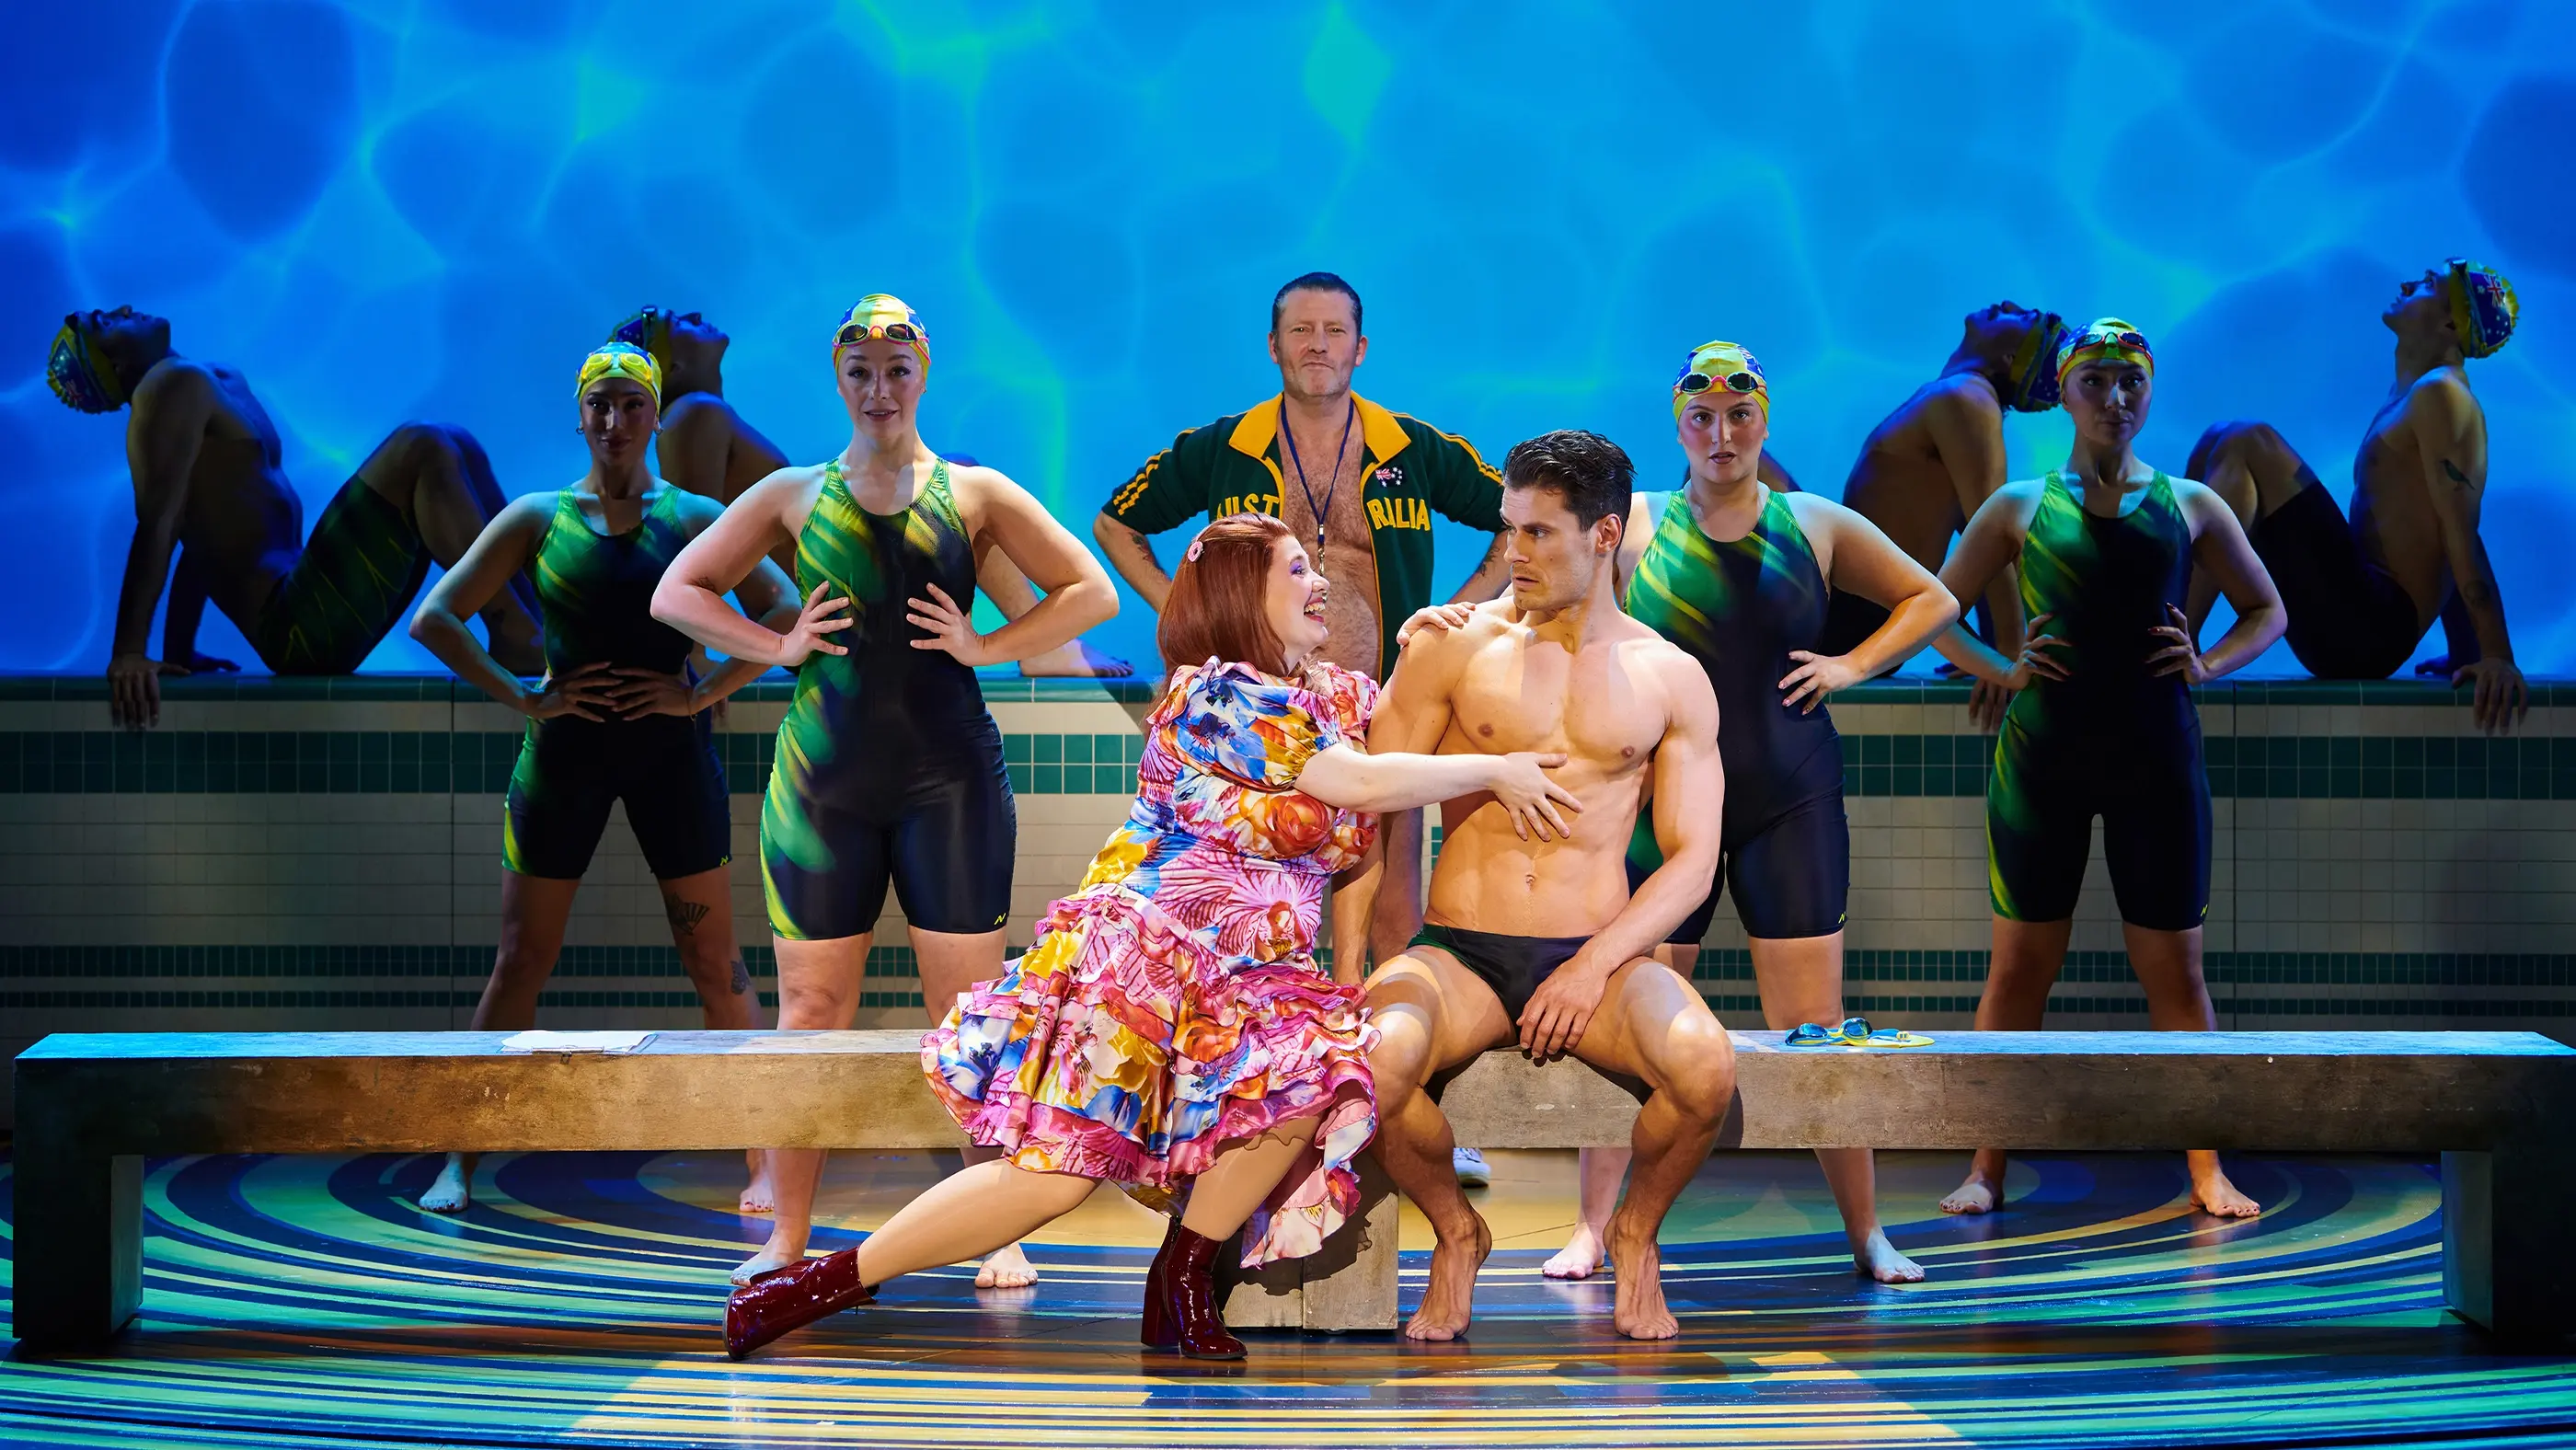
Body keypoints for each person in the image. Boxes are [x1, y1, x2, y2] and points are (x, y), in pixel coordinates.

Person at [719, 511, 1586, 1360]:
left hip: (1253, 981)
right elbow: (1355, 779)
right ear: (1244, 592)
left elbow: (1383, 736)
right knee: (1055, 1175)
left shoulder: (1329, 697)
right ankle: (812, 1286)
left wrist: (1418, 644)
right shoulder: (1214, 695)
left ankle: (1180, 1278)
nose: (1319, 583)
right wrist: (1495, 770)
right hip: (1145, 962)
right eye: (1296, 571)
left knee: (1312, 1078)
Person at [651, 294, 1118, 1293]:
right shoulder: (788, 494)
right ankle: (785, 1236)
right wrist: (774, 646)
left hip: (949, 782)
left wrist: (988, 646)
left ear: (924, 373)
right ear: (838, 377)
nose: (878, 389)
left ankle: (996, 1228)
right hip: (824, 787)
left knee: (967, 1012)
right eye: (860, 371)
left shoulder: (976, 493)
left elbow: (1092, 591)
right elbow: (677, 592)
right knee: (809, 1012)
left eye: (896, 370)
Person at [1528, 341, 1958, 1285]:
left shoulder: (1815, 524)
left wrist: (1851, 664)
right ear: (1677, 426)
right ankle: (1592, 1227)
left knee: (1815, 1022)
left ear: (1765, 423)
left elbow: (1931, 597)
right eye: (1701, 420)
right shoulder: (1632, 528)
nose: (1720, 437)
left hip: (1786, 797)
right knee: (1622, 1014)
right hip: (1661, 808)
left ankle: (1867, 1232)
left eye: (1739, 418)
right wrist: (1453, 623)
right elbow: (1537, 602)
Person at [1360, 430, 1733, 1342]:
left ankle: (1633, 1235)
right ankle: (1456, 1232)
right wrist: (1366, 958)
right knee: (1365, 1062)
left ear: (1604, 536)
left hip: (1595, 956)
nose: (1512, 554)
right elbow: (1371, 798)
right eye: (1508, 529)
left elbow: (1691, 858)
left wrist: (1589, 968)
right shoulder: (1452, 649)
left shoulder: (1669, 675)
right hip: (1461, 951)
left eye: (1538, 535)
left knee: (1705, 1066)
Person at [406, 343, 796, 1214]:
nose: (615, 422)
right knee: (520, 964)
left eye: (631, 405)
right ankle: (458, 1158)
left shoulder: (694, 515)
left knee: (717, 963)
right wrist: (522, 697)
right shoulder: (539, 518)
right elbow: (435, 617)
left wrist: (700, 690)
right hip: (564, 762)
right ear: (580, 416)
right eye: (601, 407)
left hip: (669, 760)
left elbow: (784, 611)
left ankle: (763, 1162)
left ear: (655, 415)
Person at [1929, 319, 2285, 1219]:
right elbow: (1932, 610)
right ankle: (1984, 1166)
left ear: (2148, 391)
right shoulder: (2017, 506)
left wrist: (2207, 663)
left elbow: (2267, 611)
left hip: (2154, 760)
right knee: (2018, 971)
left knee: (2176, 976)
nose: (2115, 398)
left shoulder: (2192, 504)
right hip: (2044, 759)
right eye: (2095, 382)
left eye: (2131, 382)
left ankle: (2206, 1170)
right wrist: (2001, 669)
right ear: (2066, 393)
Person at [44, 307, 542, 728]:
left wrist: (180, 649)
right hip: (297, 630)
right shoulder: (164, 390)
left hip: (308, 605)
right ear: (116, 361)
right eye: (106, 322)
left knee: (457, 443)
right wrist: (129, 652)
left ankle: (542, 622)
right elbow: (159, 525)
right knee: (423, 445)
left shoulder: (209, 381)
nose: (125, 308)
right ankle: (514, 635)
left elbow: (201, 534)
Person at [615, 305, 1125, 678]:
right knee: (960, 484)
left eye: (897, 371)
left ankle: (1036, 645)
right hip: (830, 616)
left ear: (920, 379)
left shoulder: (702, 417)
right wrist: (702, 655)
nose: (696, 313)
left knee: (959, 490)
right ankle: (1040, 644)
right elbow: (686, 530)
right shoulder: (693, 412)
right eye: (676, 322)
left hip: (832, 611)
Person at [2186, 259, 2526, 732]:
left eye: (2429, 283)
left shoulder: (2443, 397)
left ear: (2451, 321)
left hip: (2369, 627)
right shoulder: (2411, 392)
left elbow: (2461, 530)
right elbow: (2436, 526)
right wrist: (2465, 651)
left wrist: (2496, 655)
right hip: (2352, 613)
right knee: (2216, 441)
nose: (2410, 281)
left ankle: (2176, 644)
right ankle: (2170, 630)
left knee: (2248, 440)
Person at [1823, 301, 2069, 728]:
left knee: (1737, 460)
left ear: (2011, 357)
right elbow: (1982, 547)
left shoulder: (1965, 399)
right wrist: (1985, 646)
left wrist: (2006, 654)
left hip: (1843, 620)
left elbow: (1996, 537)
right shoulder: (1964, 403)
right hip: (1856, 618)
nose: (2010, 306)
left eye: (2025, 316)